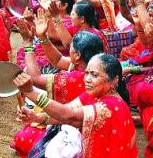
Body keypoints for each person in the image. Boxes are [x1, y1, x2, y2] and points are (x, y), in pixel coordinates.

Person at [14, 53, 138, 158]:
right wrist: (37, 117)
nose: (87, 79)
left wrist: (31, 92)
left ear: (114, 80)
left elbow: (69, 116)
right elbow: (68, 110)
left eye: (94, 75)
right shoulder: (94, 92)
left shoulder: (112, 106)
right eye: (87, 73)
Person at [11, 28, 104, 157]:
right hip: (83, 122)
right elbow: (58, 60)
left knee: (24, 137)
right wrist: (42, 36)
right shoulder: (95, 69)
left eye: (71, 48)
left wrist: (28, 43)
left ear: (77, 56)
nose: (68, 51)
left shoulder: (76, 78)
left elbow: (35, 79)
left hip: (78, 133)